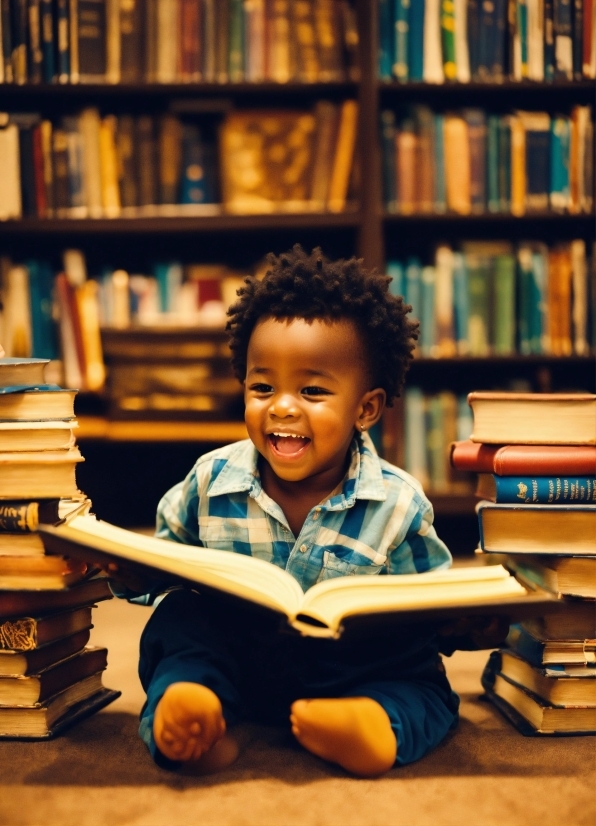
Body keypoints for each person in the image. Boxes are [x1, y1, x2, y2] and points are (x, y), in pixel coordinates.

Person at [110, 246, 472, 777]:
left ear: (365, 409)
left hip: (351, 665)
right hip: (239, 656)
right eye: (262, 387)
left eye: (312, 390)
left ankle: (371, 721)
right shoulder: (212, 479)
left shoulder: (397, 501)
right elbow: (164, 561)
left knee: (418, 674)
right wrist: (127, 571)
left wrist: (466, 623)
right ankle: (195, 712)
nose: (281, 406)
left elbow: (433, 605)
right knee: (181, 625)